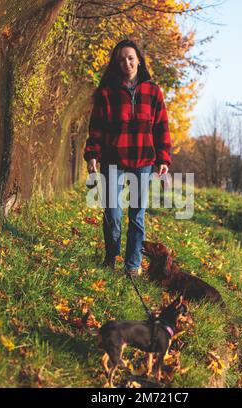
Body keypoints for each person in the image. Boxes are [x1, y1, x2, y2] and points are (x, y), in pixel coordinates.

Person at [83, 39, 172, 276]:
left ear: (139, 60)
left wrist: (163, 159)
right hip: (113, 160)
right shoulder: (107, 92)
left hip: (144, 161)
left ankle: (132, 266)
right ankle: (111, 257)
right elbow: (97, 127)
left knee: (137, 215)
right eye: (122, 59)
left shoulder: (153, 91)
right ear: (116, 63)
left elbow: (162, 127)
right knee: (112, 214)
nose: (127, 63)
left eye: (131, 58)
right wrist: (92, 154)